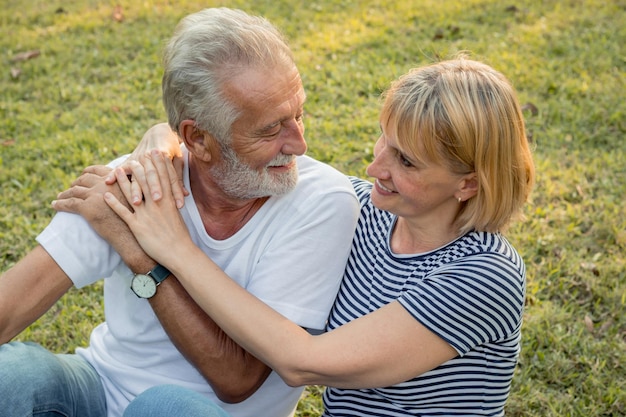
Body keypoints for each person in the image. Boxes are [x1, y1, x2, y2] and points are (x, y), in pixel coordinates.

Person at [82, 56, 535, 416]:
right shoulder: (365, 213)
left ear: (468, 184)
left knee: (166, 409)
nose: (376, 168)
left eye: (407, 163)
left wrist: (172, 250)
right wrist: (163, 140)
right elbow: (235, 143)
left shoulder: (484, 276)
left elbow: (302, 362)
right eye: (385, 141)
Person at [0, 8, 359, 417]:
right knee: (14, 374)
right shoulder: (136, 182)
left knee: (163, 407)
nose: (300, 143)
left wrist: (140, 254)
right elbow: (8, 307)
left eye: (298, 114)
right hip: (98, 388)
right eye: (271, 129)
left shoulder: (321, 202)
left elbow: (237, 380)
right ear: (197, 139)